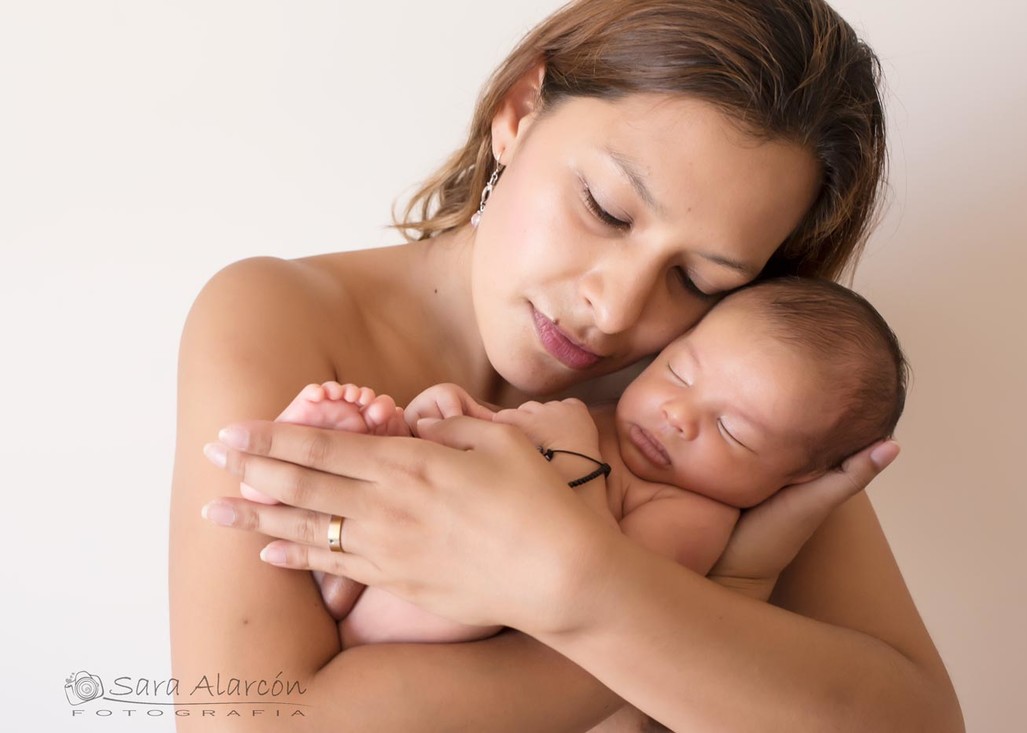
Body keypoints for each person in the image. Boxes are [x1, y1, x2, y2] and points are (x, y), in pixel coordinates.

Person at [171, 0, 965, 731]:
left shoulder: (716, 385)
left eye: (699, 280)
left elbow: (915, 719)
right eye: (607, 209)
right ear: (519, 112)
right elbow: (248, 720)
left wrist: (581, 583)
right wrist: (718, 596)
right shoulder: (284, 312)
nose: (618, 311)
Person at [241, 277, 909, 658]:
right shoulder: (609, 413)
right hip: (415, 559)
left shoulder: (694, 517)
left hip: (462, 625)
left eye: (732, 428)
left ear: (791, 478)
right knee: (422, 459)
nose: (679, 413)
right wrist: (450, 416)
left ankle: (351, 597)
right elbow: (504, 450)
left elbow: (594, 585)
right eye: (679, 370)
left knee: (468, 585)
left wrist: (575, 459)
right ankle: (363, 472)